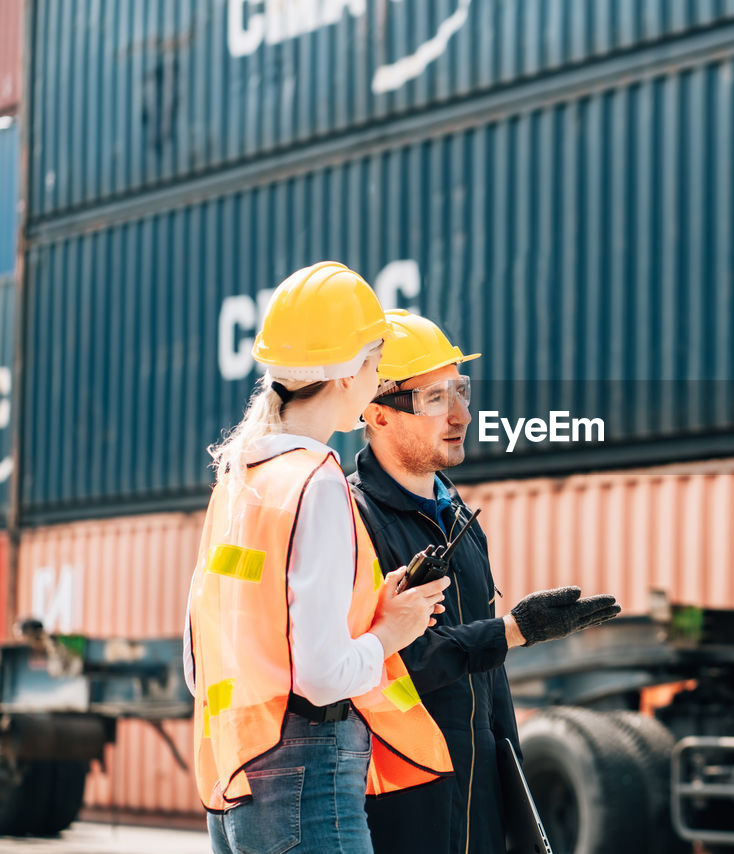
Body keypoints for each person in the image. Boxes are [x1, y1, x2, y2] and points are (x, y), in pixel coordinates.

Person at [184, 263, 456, 854]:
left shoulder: (238, 477)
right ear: (347, 375)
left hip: (236, 772)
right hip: (308, 777)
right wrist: (391, 633)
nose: (380, 374)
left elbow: (199, 658)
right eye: (376, 359)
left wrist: (364, 617)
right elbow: (323, 674)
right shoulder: (317, 480)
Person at [351, 310, 621, 854]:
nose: (460, 414)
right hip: (402, 811)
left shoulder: (461, 523)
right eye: (434, 398)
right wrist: (512, 630)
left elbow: (491, 687)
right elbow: (389, 668)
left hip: (478, 810)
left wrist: (515, 801)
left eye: (462, 391)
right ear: (379, 416)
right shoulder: (353, 521)